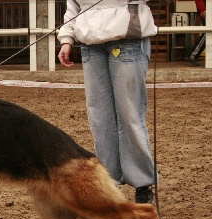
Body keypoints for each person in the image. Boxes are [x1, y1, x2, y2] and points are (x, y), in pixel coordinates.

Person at [57, 0, 157, 203]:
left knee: (129, 114)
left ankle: (142, 183)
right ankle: (107, 181)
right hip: (90, 45)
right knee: (100, 116)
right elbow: (73, 7)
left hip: (127, 38)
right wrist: (66, 39)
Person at [189, 0, 206, 66]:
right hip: (207, 11)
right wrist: (202, 9)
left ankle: (193, 55)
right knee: (208, 34)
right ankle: (193, 55)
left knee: (208, 34)